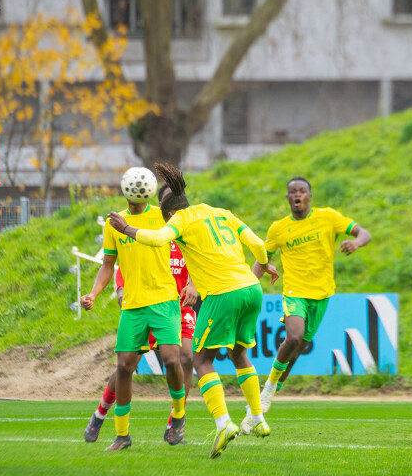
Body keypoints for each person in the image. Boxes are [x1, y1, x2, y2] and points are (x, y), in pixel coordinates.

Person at [116, 164, 276, 459]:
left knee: (201, 359)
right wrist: (263, 266)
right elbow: (256, 243)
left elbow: (158, 239)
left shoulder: (181, 221)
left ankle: (224, 423)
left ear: (168, 214)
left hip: (222, 293)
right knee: (239, 353)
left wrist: (126, 228)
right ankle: (257, 418)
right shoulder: (221, 212)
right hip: (252, 289)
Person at [246, 176, 370, 430]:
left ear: (310, 196)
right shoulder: (278, 229)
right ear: (288, 198)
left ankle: (266, 396)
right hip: (294, 291)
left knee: (298, 347)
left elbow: (363, 232)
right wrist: (248, 284)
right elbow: (262, 258)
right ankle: (267, 390)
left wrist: (356, 243)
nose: (298, 195)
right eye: (293, 192)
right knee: (293, 336)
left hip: (322, 294)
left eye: (302, 191)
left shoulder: (328, 218)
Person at [80, 184, 190, 451]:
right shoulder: (115, 223)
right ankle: (118, 430)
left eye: (174, 206)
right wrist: (97, 293)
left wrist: (196, 284)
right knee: (125, 365)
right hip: (134, 304)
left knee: (175, 359)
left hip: (169, 301)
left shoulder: (173, 225)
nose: (171, 210)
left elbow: (199, 254)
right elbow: (113, 264)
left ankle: (177, 416)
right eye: (168, 204)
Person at [85, 243, 198, 445]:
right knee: (126, 365)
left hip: (179, 308)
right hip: (148, 306)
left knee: (186, 357)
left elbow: (201, 264)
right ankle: (100, 413)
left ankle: (175, 423)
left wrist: (194, 284)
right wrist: (121, 288)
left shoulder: (185, 233)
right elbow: (127, 263)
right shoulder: (149, 232)